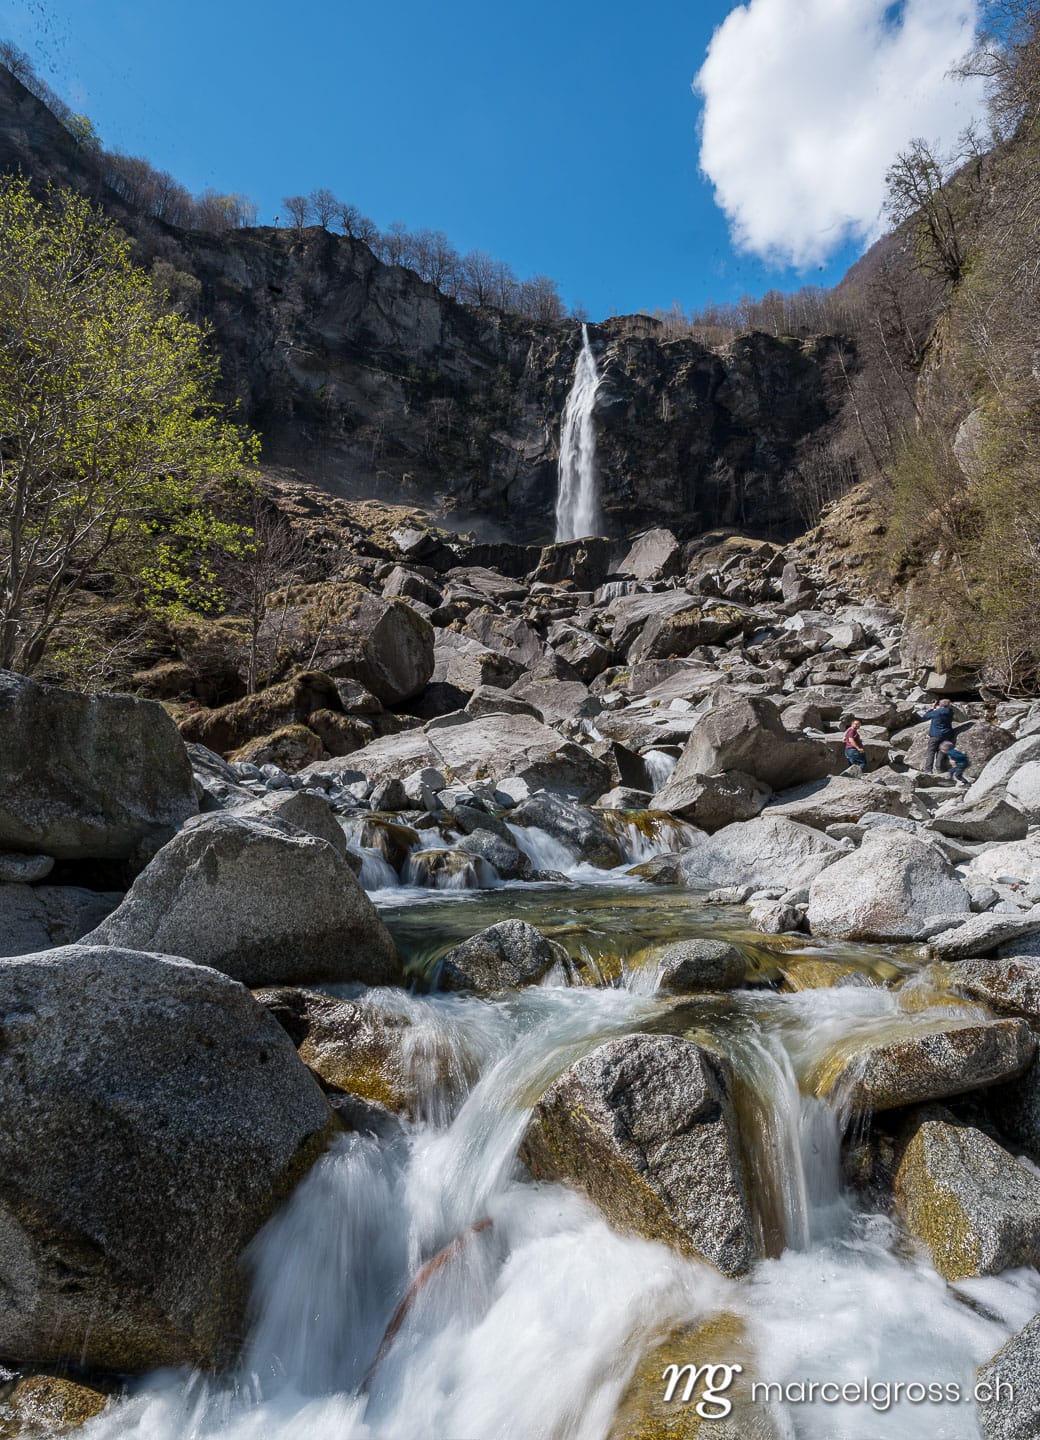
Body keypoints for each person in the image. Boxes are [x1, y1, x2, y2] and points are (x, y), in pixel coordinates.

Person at [920, 698, 956, 773]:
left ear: (939, 704)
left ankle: (928, 769)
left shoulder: (936, 712)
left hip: (935, 735)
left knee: (931, 752)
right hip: (946, 735)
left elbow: (925, 716)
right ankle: (939, 769)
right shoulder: (950, 712)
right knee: (942, 752)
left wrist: (932, 708)